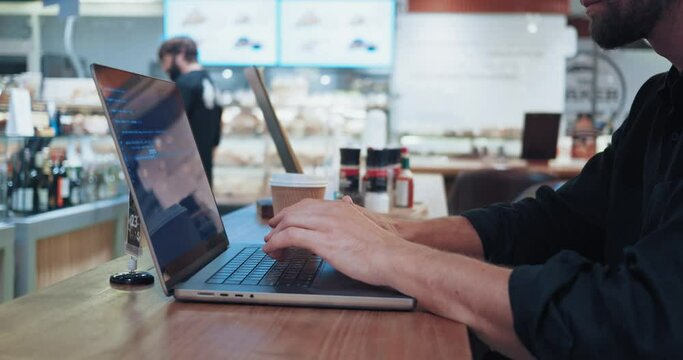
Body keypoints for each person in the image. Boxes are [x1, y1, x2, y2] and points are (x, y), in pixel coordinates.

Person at [263, 0, 683, 358]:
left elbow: (635, 320)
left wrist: (389, 256)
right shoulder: (659, 99)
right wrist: (398, 233)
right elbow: (560, 220)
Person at [158, 37, 222, 186]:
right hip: (203, 171)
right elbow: (216, 136)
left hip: (184, 174)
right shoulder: (209, 81)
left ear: (180, 55)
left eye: (165, 60)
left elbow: (169, 128)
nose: (165, 67)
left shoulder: (184, 85)